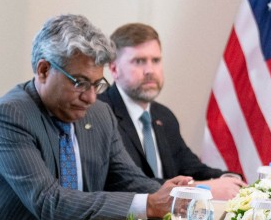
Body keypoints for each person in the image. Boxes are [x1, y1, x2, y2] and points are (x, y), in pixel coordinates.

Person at [0, 14, 191, 220]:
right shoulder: (8, 116)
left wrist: (175, 196)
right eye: (80, 83)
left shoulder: (100, 114)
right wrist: (148, 204)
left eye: (97, 84)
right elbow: (50, 202)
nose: (90, 98)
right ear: (43, 70)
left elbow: (129, 180)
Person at [98, 23, 246, 200]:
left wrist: (230, 180)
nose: (150, 70)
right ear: (114, 69)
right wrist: (203, 188)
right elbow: (127, 183)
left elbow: (191, 167)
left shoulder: (164, 116)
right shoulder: (101, 114)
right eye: (139, 61)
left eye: (156, 60)